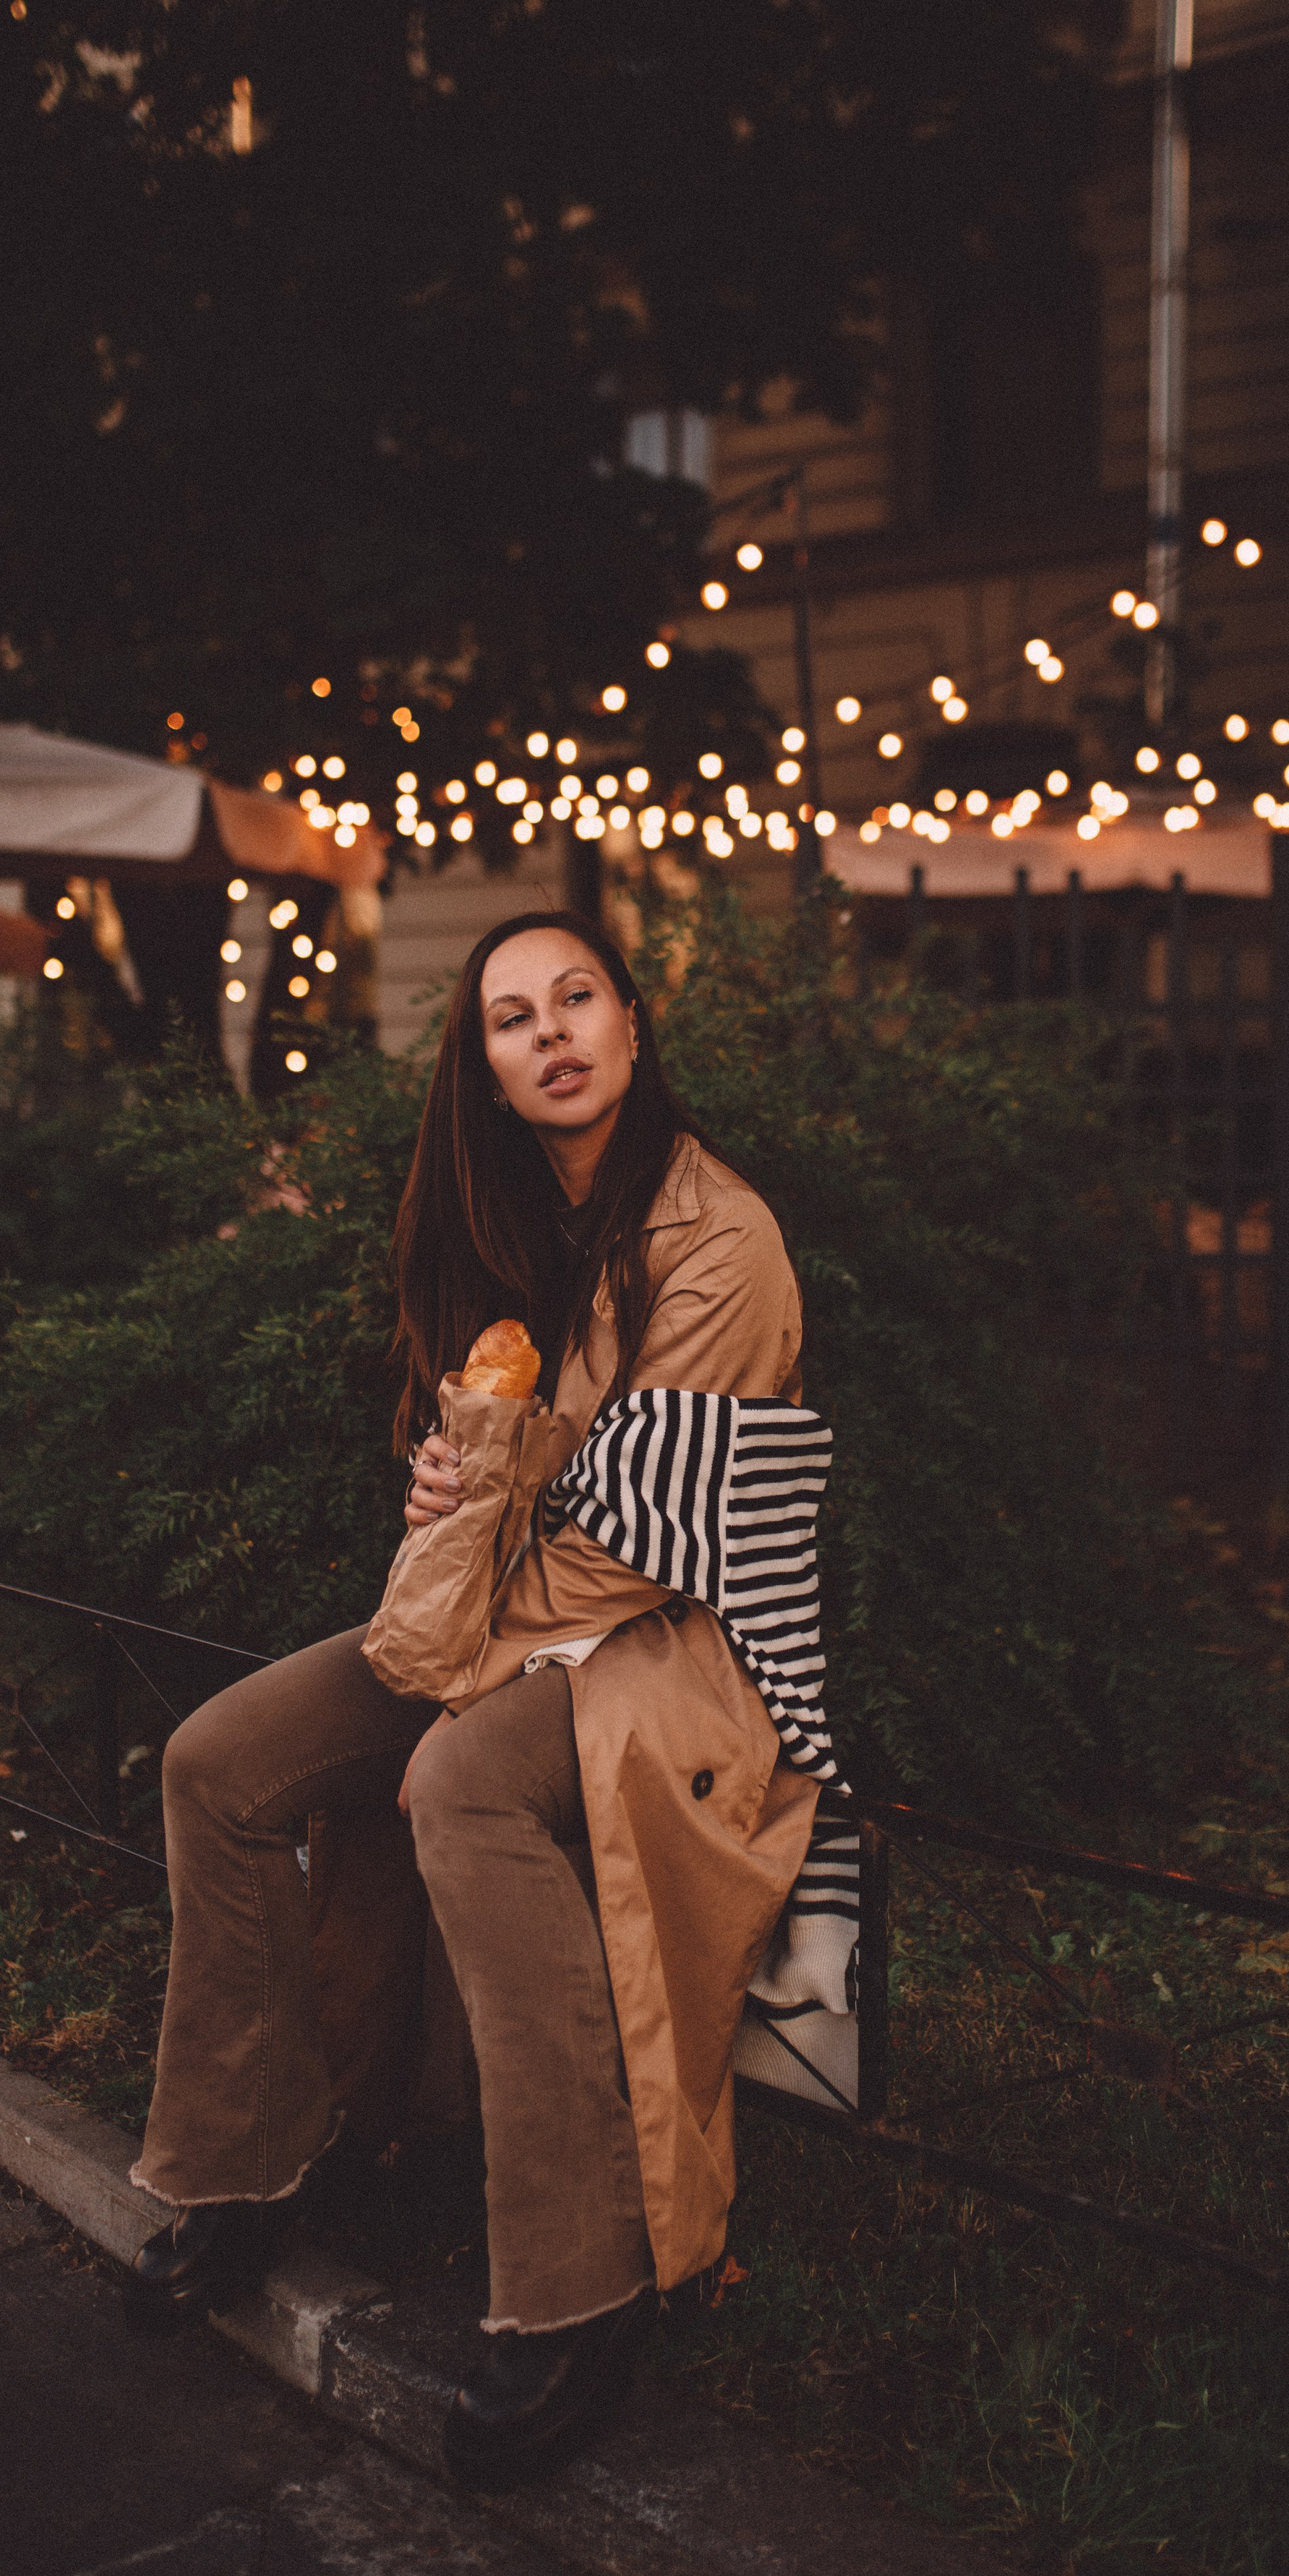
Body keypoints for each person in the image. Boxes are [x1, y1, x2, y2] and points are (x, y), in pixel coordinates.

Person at [124, 909, 821, 2485]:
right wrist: (450, 1470)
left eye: (577, 998)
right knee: (218, 1759)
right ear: (489, 1071)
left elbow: (644, 1538)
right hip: (499, 1617)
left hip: (668, 1643)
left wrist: (461, 1637)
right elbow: (495, 1484)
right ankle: (254, 2160)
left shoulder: (719, 1239)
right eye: (512, 1018)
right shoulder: (512, 1230)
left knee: (458, 1781)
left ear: (634, 1029)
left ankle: (584, 2282)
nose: (551, 1032)